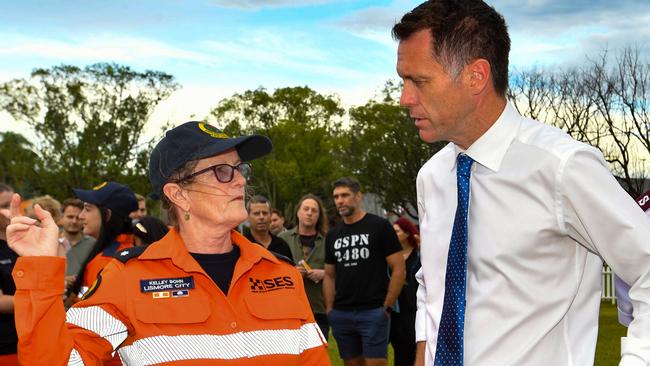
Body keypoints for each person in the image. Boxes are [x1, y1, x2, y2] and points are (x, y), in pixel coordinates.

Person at [392, 1, 650, 365]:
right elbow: (433, 286)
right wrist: (423, 352)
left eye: (418, 81)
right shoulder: (432, 177)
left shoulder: (562, 167)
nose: (404, 98)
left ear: (476, 77)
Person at [7, 121, 329, 365]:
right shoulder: (127, 278)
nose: (242, 179)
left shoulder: (282, 274)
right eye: (222, 171)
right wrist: (40, 269)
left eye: (240, 168)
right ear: (179, 195)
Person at [323, 177, 405, 366]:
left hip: (373, 310)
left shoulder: (379, 226)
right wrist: (330, 309)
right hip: (342, 312)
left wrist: (387, 305)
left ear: (358, 197)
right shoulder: (333, 234)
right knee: (352, 363)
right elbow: (329, 274)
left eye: (345, 195)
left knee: (376, 363)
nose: (340, 201)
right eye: (336, 197)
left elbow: (398, 267)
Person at [67, 181, 139, 300]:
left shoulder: (106, 261)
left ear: (107, 215)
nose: (81, 216)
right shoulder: (129, 248)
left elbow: (90, 313)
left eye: (87, 209)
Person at [280, 193, 330, 339]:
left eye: (314, 210)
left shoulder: (328, 240)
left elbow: (339, 271)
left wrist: (324, 273)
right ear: (298, 212)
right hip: (289, 309)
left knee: (317, 357)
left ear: (319, 216)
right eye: (306, 209)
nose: (309, 213)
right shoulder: (283, 239)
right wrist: (292, 273)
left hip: (318, 308)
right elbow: (272, 270)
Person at [390, 217, 421, 366]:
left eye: (396, 231)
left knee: (415, 350)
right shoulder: (391, 257)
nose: (392, 234)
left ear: (407, 233)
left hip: (414, 309)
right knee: (400, 352)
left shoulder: (419, 256)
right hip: (397, 310)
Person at [0, 183, 17, 365]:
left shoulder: (26, 240)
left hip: (35, 341)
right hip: (6, 349)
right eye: (5, 206)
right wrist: (42, 298)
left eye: (13, 204)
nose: (11, 211)